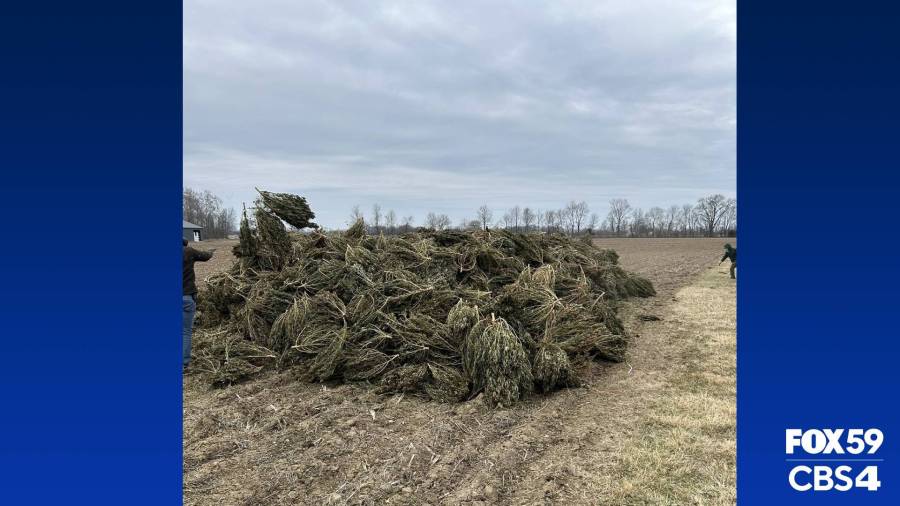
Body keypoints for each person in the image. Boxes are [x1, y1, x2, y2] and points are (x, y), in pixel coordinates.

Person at [183, 238, 214, 368]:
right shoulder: (188, 251)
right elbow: (205, 256)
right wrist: (211, 251)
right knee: (185, 332)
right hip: (186, 298)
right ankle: (183, 363)